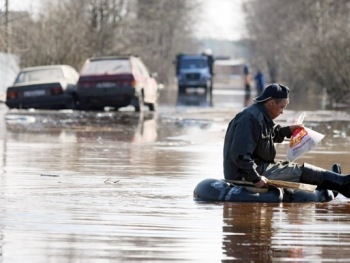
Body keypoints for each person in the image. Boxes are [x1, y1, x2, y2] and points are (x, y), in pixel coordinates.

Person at [223, 83, 350, 197]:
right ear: (271, 103)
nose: (282, 112)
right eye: (282, 107)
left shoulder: (261, 115)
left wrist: (290, 130)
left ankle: (336, 182)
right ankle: (342, 183)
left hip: (258, 166)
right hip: (245, 173)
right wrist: (256, 179)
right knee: (298, 170)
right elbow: (240, 155)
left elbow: (272, 134)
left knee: (292, 168)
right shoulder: (250, 119)